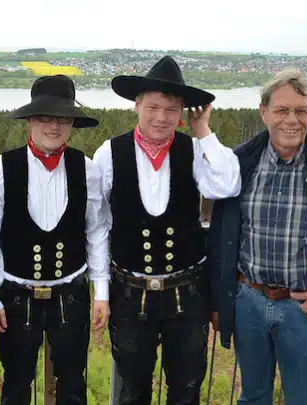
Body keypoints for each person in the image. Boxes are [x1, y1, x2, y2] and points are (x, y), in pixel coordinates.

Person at [209, 68, 307, 405]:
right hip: (248, 303)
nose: (291, 120)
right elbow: (220, 238)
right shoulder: (240, 162)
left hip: (305, 310)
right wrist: (221, 300)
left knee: (301, 400)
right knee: (253, 396)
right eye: (282, 110)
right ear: (263, 111)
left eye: (302, 110)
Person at [93, 56, 241, 405]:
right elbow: (98, 226)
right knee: (132, 391)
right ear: (137, 106)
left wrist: (202, 130)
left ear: (183, 113)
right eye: (153, 107)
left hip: (187, 295)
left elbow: (228, 184)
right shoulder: (109, 155)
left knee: (186, 390)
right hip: (130, 294)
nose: (161, 118)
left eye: (171, 110)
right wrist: (101, 292)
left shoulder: (194, 150)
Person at [0, 75, 110, 405]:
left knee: (72, 382)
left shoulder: (88, 169)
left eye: (63, 118)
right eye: (45, 117)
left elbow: (96, 230)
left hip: (71, 294)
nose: (54, 126)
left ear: (72, 123)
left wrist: (101, 292)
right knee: (17, 383)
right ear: (29, 120)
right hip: (16, 295)